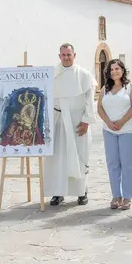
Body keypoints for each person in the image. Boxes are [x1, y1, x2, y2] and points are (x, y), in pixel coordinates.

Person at [44, 43, 96, 206]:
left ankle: (82, 192)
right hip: (58, 120)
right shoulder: (52, 75)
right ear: (59, 56)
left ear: (75, 55)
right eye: (63, 55)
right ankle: (58, 193)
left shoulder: (84, 75)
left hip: (77, 121)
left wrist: (87, 120)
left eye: (69, 54)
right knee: (58, 157)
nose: (66, 57)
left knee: (80, 156)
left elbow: (89, 99)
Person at [97, 58, 132, 211]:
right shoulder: (105, 89)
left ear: (122, 70)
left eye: (117, 69)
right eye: (111, 69)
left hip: (127, 130)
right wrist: (108, 122)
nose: (114, 72)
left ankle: (127, 197)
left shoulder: (130, 87)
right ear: (107, 73)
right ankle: (116, 196)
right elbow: (100, 108)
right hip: (109, 131)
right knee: (113, 163)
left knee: (128, 164)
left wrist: (121, 122)